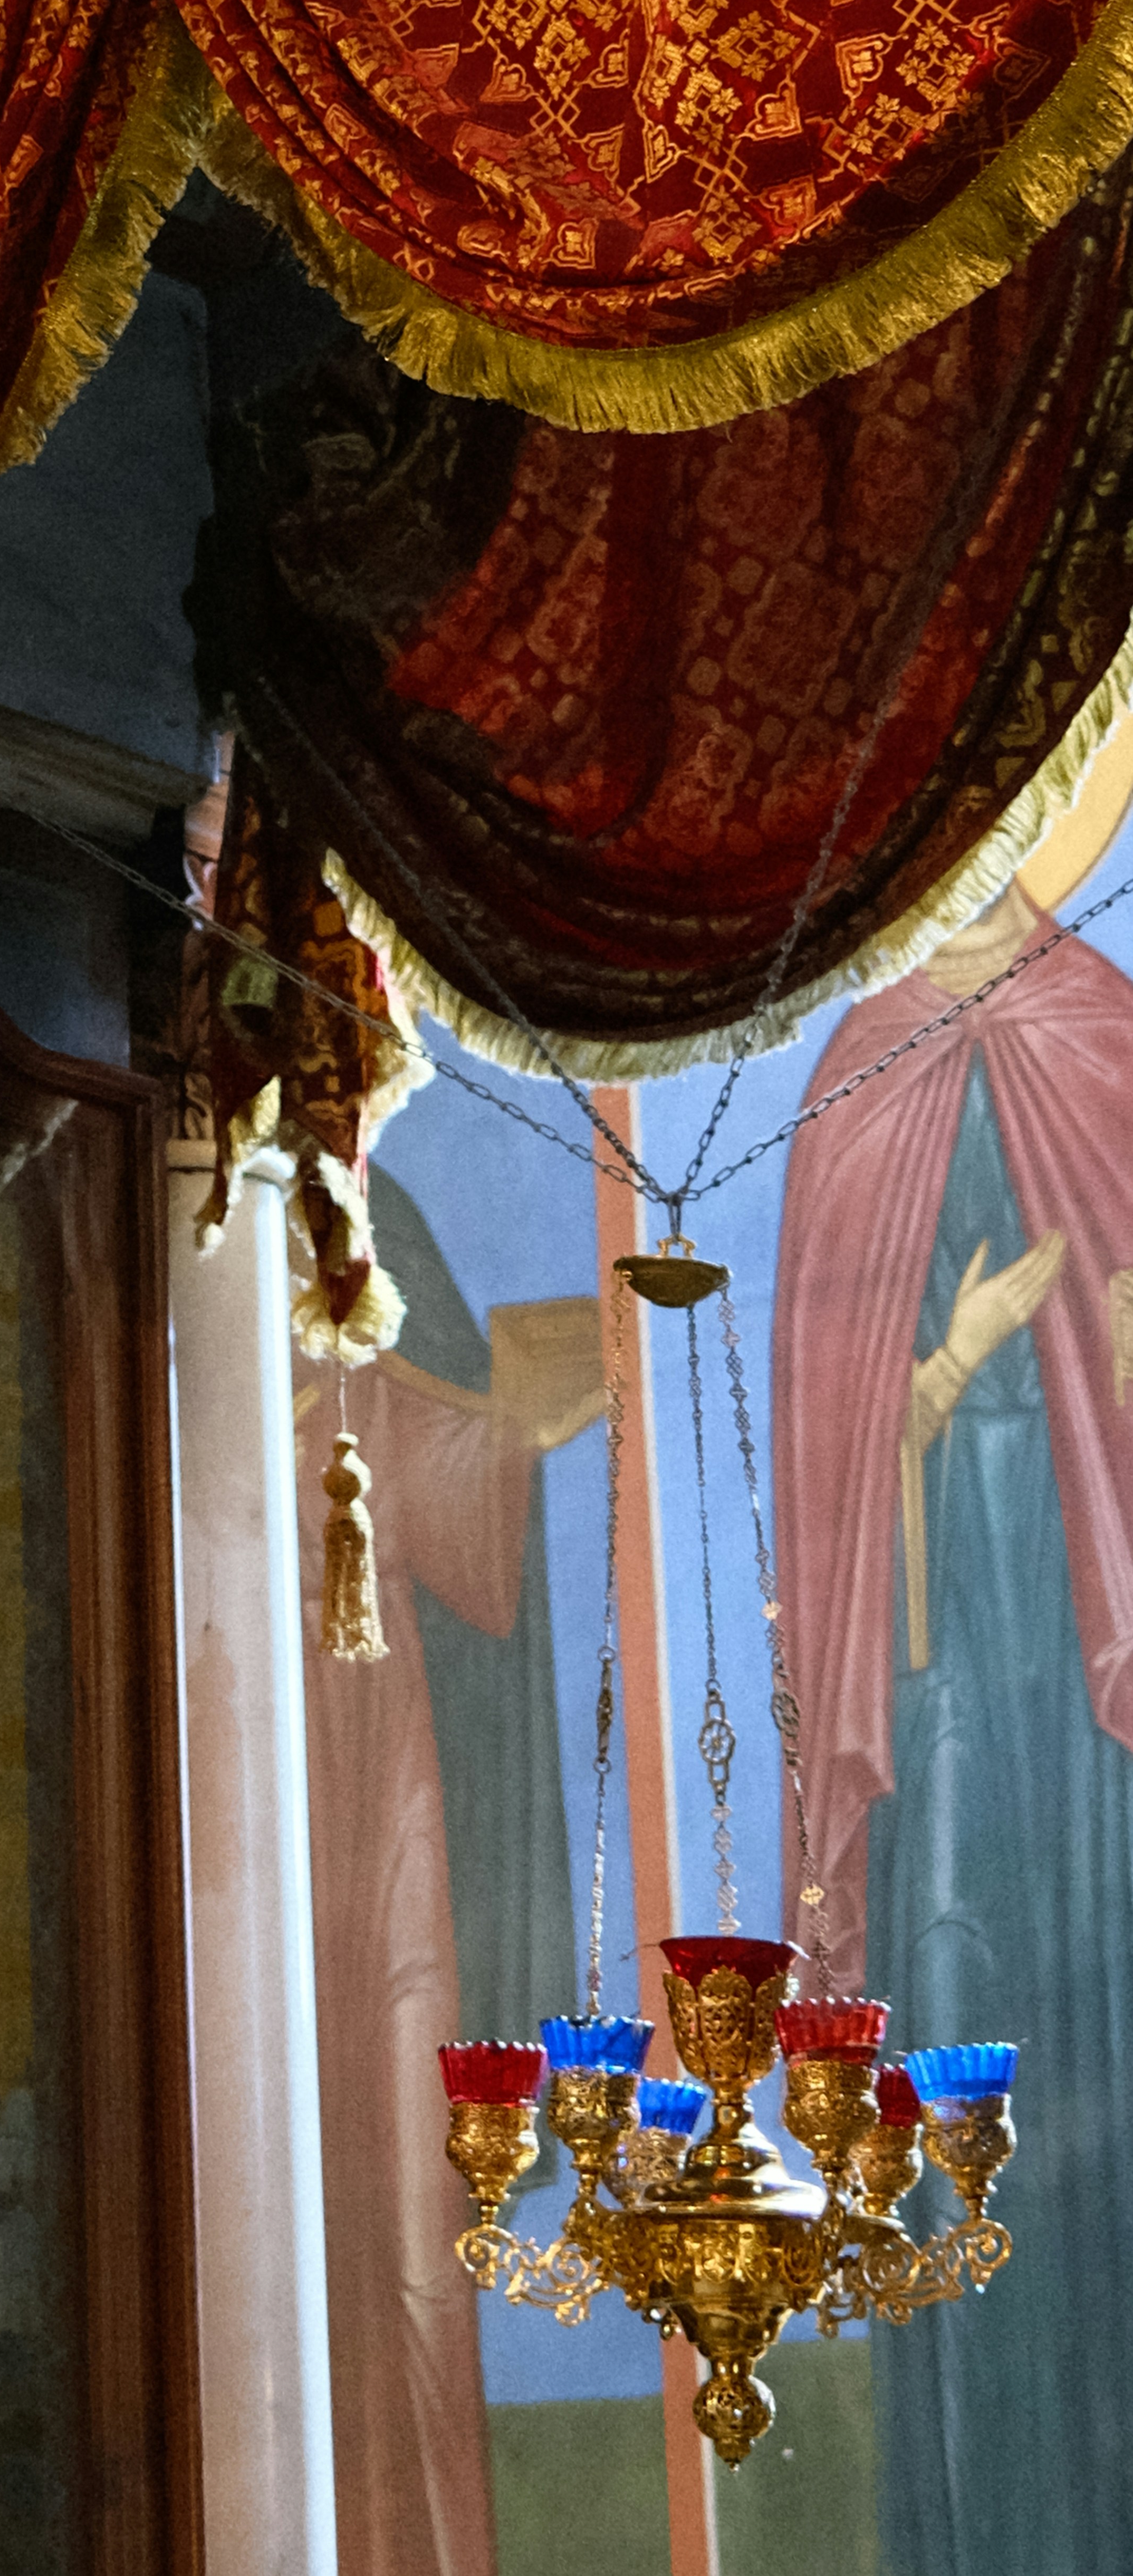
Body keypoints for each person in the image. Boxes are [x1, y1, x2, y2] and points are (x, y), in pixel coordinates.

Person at [775, 876, 1133, 2575]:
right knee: (966, 2023)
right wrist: (961, 1358)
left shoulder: (1107, 1035)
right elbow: (838, 1449)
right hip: (945, 1676)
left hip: (1096, 1666)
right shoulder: (864, 1068)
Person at [296, 1166, 603, 2576]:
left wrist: (524, 1428)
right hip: (240, 1788)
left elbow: (460, 1498)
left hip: (384, 1793)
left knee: (409, 2169)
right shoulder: (150, 1375)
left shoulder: (365, 1297)